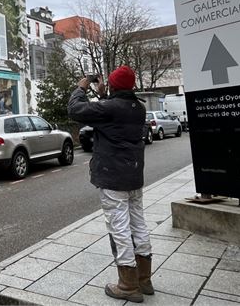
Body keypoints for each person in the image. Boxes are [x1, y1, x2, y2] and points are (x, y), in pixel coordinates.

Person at [67, 66, 153, 303]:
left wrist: (82, 87)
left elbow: (75, 110)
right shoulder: (139, 107)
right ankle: (144, 279)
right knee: (138, 224)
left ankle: (127, 284)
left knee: (119, 227)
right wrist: (105, 95)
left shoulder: (111, 107)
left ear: (114, 86)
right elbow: (113, 113)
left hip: (114, 177)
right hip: (134, 176)